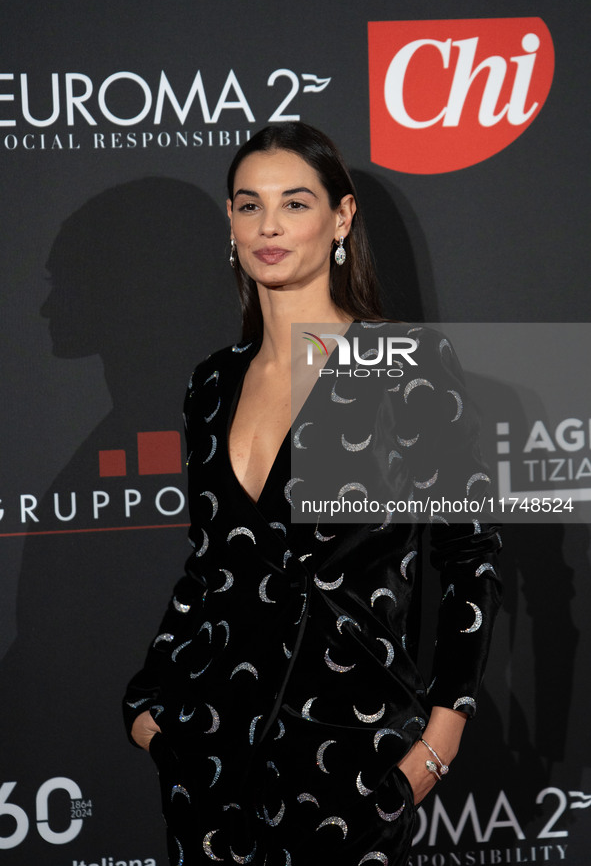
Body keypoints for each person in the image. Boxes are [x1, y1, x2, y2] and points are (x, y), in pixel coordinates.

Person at [123, 123, 502, 866]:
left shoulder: (399, 365)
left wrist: (434, 746)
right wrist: (147, 710)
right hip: (209, 763)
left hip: (350, 769)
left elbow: (467, 557)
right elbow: (211, 567)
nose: (267, 225)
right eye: (247, 204)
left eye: (294, 203)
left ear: (341, 217)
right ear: (228, 224)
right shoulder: (211, 383)